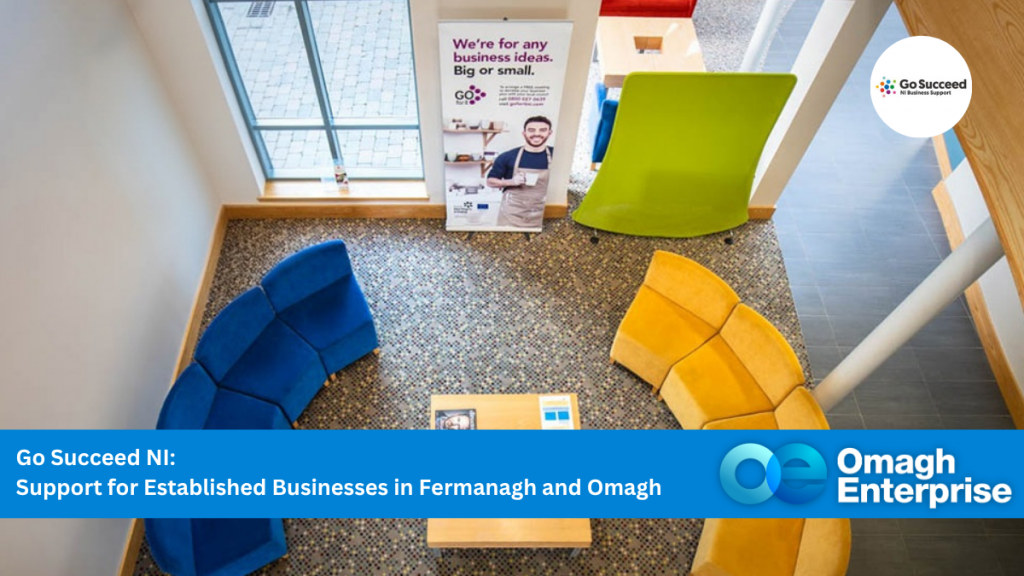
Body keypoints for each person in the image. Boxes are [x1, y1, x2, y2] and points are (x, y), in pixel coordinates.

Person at [486, 116, 554, 229]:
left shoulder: (557, 154)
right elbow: (490, 181)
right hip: (512, 213)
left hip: (542, 211)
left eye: (542, 130)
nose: (537, 134)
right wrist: (511, 182)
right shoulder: (507, 156)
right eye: (531, 130)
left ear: (549, 133)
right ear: (524, 133)